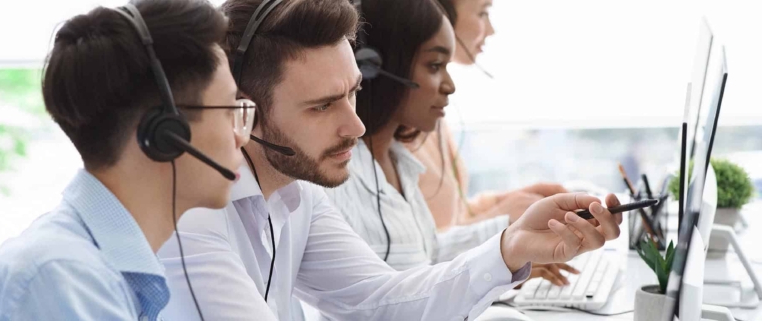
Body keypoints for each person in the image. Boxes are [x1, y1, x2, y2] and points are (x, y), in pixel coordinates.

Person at [158, 0, 623, 320]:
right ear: (243, 110)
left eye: (353, 93)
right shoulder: (190, 217)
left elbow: (382, 302)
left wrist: (512, 246)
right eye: (322, 106)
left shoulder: (295, 194)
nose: (355, 127)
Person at [0, 0, 249, 319]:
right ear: (165, 134)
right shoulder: (64, 277)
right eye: (228, 111)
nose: (242, 137)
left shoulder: (103, 271)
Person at [325, 0, 577, 288]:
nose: (450, 86)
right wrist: (498, 265)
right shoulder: (340, 178)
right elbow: (384, 299)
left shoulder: (397, 160)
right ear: (371, 67)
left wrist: (514, 239)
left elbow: (427, 254)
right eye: (435, 65)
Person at [410, 0, 568, 233]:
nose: (491, 29)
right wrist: (502, 220)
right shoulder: (400, 120)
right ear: (438, 12)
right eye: (483, 13)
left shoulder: (431, 107)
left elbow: (452, 215)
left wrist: (508, 202)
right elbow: (423, 252)